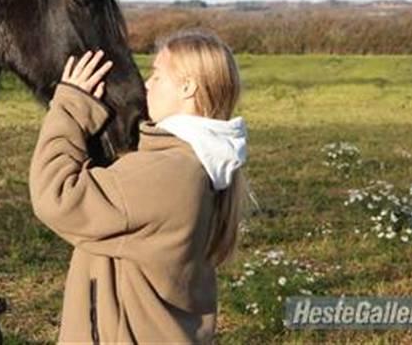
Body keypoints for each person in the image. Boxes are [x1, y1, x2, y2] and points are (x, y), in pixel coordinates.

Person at [28, 28, 252, 343]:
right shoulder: (198, 164)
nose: (147, 84)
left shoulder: (167, 173)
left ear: (187, 87)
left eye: (157, 76)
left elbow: (57, 195)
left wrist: (70, 106)